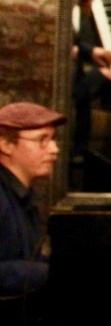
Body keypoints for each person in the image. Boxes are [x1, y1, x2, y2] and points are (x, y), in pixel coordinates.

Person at [0, 102, 66, 297]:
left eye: (53, 139)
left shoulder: (23, 195)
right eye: (42, 140)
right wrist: (50, 272)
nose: (54, 149)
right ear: (5, 144)